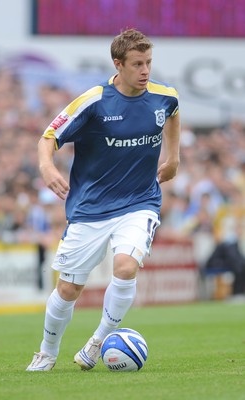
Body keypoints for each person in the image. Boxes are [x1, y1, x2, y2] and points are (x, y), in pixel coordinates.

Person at [26, 28, 181, 371]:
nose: (145, 71)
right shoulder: (94, 101)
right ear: (118, 64)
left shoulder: (162, 95)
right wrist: (47, 166)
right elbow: (49, 135)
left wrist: (174, 157)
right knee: (68, 289)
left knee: (125, 267)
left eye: (149, 63)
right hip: (90, 208)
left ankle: (97, 342)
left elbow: (172, 112)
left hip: (140, 201)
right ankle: (47, 352)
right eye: (138, 64)